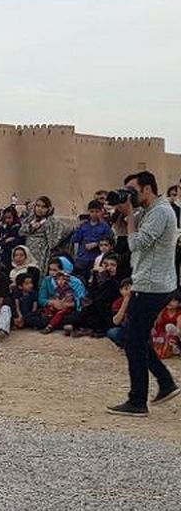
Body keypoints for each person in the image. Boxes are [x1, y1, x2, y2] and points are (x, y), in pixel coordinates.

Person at [107, 171, 180, 415]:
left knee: (132, 340)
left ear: (147, 189)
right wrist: (122, 216)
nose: (131, 195)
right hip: (149, 283)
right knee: (134, 337)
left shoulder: (160, 212)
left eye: (133, 190)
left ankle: (138, 401)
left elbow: (137, 243)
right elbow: (121, 237)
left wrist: (130, 217)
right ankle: (165, 382)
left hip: (152, 286)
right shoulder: (148, 210)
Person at [71, 200, 115, 273]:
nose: (94, 214)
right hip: (82, 259)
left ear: (101, 212)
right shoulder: (83, 225)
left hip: (96, 260)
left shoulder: (105, 226)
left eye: (97, 211)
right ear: (88, 212)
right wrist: (78, 227)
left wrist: (96, 244)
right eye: (92, 211)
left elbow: (110, 241)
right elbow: (74, 239)